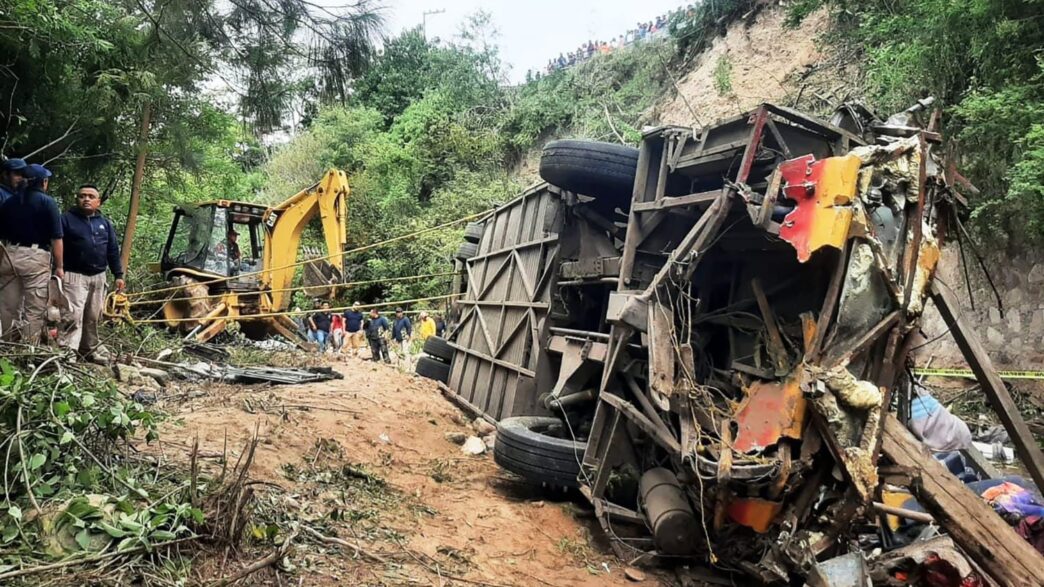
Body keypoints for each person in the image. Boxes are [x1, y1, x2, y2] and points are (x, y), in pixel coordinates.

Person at [59, 184, 124, 361]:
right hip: (73, 275)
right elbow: (57, 245)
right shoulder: (66, 219)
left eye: (90, 196)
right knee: (72, 315)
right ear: (77, 199)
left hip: (98, 276)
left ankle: (88, 350)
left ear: (98, 202)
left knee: (93, 316)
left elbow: (112, 249)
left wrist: (118, 274)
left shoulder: (104, 223)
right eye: (82, 196)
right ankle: (67, 353)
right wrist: (57, 269)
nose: (86, 199)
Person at [0, 164, 63, 343]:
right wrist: (59, 267)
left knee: (7, 306)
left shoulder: (9, 202)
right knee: (34, 308)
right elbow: (57, 238)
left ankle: (6, 346)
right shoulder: (48, 203)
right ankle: (27, 348)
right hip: (35, 258)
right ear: (43, 182)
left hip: (9, 254)